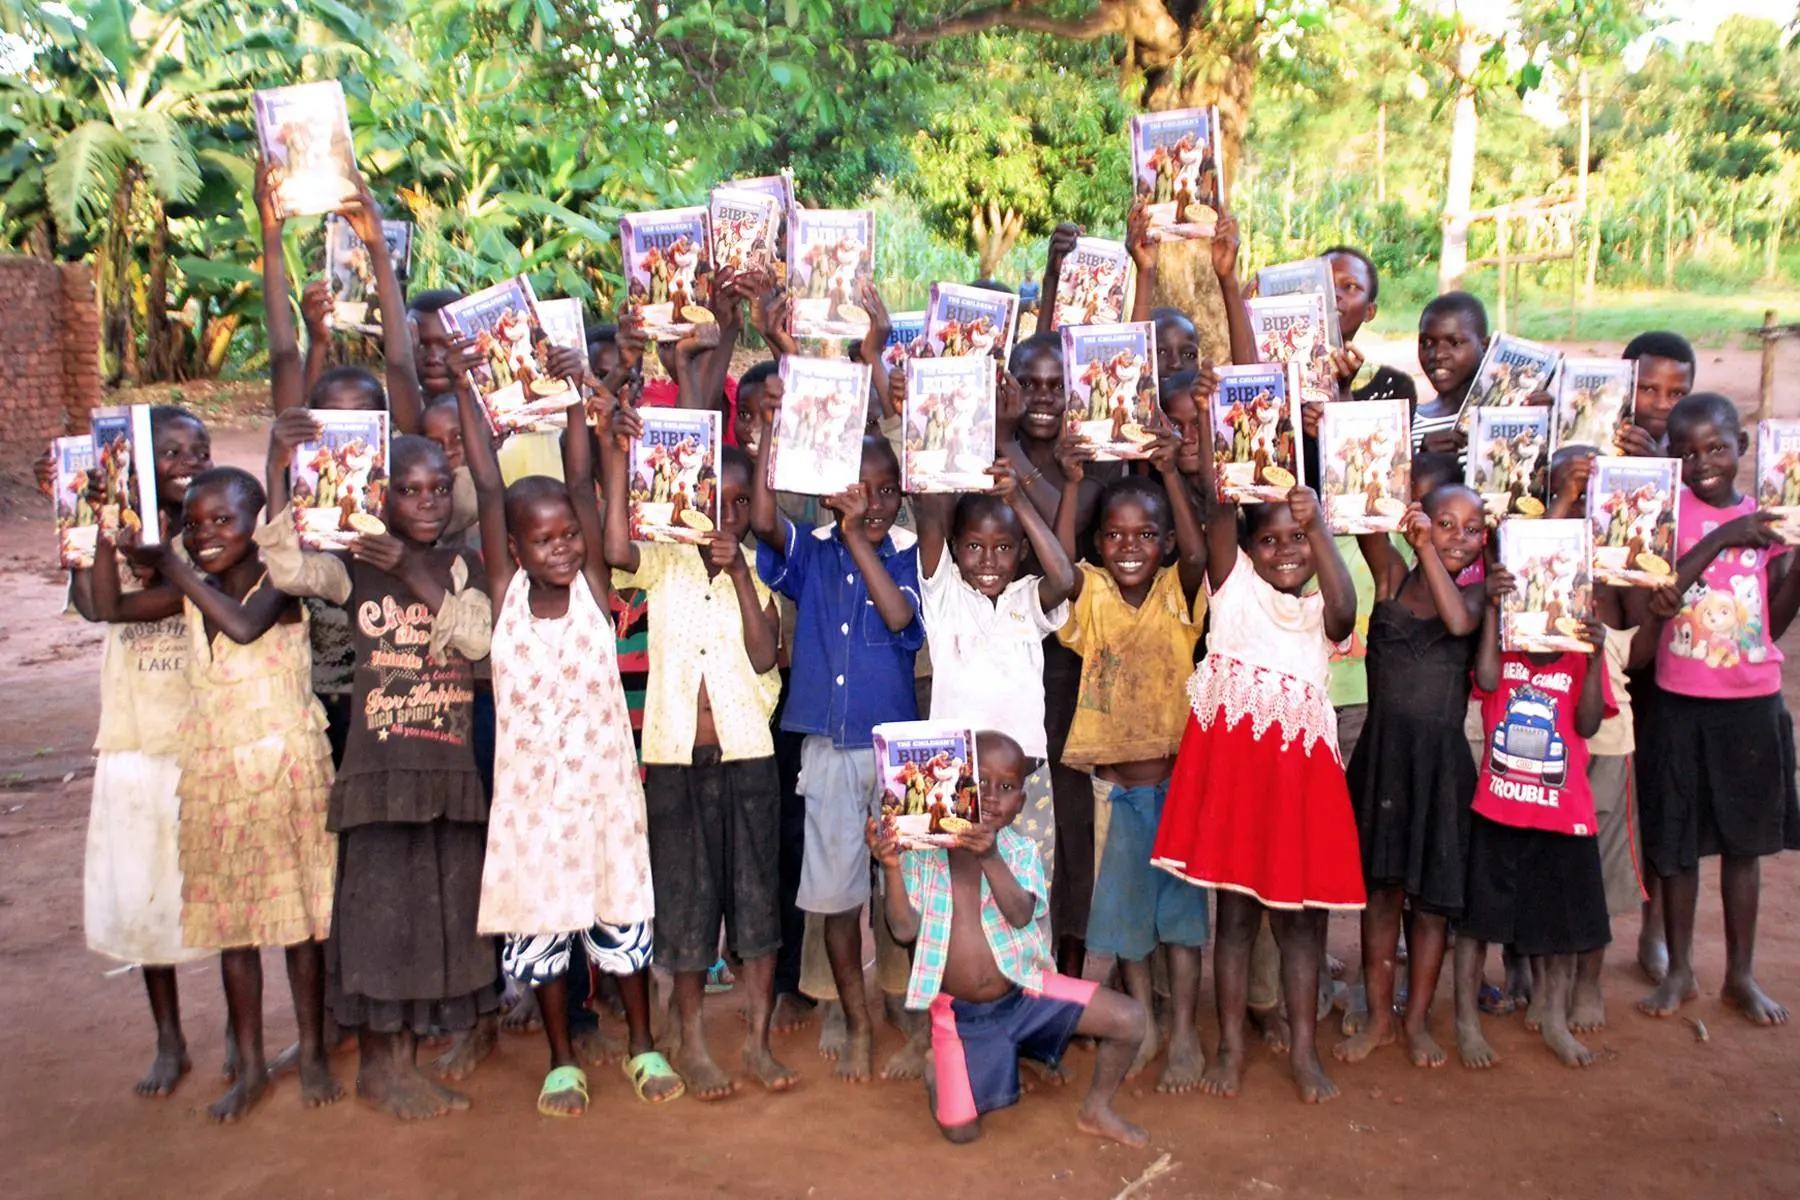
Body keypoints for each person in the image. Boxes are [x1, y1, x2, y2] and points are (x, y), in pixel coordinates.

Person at [448, 368, 670, 1117]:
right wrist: (462, 383)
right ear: (511, 547)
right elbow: (485, 482)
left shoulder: (592, 586)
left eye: (569, 533)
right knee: (545, 931)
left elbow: (581, 474)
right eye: (543, 540)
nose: (563, 548)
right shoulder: (506, 591)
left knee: (622, 921)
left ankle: (643, 1043)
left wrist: (575, 393)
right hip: (533, 808)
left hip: (606, 796)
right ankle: (561, 1060)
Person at [259, 426, 498, 1121]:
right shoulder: (349, 564)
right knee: (378, 920)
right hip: (379, 773)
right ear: (380, 497)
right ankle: (378, 1068)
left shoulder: (461, 566)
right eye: (407, 490)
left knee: (435, 919)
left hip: (446, 771)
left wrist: (414, 569)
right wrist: (280, 473)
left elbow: (478, 640)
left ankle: (403, 1066)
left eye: (434, 489)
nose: (425, 502)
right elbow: (284, 569)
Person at [96, 467, 339, 1122]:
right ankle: (253, 1065)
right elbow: (109, 608)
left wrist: (172, 568)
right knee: (238, 933)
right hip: (217, 778)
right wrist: (92, 531)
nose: (204, 534)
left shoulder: (278, 585)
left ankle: (312, 1053)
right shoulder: (190, 591)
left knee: (300, 931)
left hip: (285, 766)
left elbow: (240, 628)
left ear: (259, 526)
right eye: (193, 524)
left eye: (221, 521)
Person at [1153, 440, 1364, 1104]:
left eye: (1298, 537)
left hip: (1299, 778)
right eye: (1269, 540)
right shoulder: (1233, 585)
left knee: (1301, 924)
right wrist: (1226, 419)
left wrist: (1321, 525)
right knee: (1237, 918)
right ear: (1247, 549)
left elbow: (1346, 611)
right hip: (1239, 778)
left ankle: (1304, 1050)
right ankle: (1230, 1049)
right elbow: (1222, 499)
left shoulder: (1316, 612)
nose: (1286, 550)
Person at [602, 402, 793, 1101]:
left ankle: (758, 1043)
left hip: (748, 760)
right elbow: (618, 551)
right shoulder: (665, 561)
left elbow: (766, 652)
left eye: (742, 504)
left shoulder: (766, 572)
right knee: (686, 907)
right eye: (717, 499)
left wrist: (741, 573)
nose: (729, 515)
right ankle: (690, 1040)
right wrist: (617, 455)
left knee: (756, 908)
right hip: (676, 762)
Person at [749, 392, 926, 1083]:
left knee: (906, 890)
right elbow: (763, 520)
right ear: (832, 493)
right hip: (825, 748)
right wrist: (769, 436)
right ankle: (855, 1021)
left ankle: (906, 1004)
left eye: (887, 492)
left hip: (898, 755)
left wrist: (859, 534)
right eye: (860, 491)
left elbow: (896, 618)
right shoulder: (812, 552)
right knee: (834, 898)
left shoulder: (908, 556)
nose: (875, 503)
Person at [869, 731, 1149, 1147]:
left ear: (1021, 801)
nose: (994, 798)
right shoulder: (923, 854)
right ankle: (940, 1066)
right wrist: (891, 866)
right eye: (981, 783)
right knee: (961, 1132)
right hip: (961, 1018)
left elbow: (1020, 914)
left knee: (1130, 1020)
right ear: (956, 784)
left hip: (1026, 993)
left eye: (1007, 787)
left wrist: (990, 856)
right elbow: (903, 930)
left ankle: (1096, 1108)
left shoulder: (1020, 851)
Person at [1633, 392, 1800, 1026]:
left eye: (1718, 448)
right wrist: (1729, 535)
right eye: (1688, 451)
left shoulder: (1772, 520)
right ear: (1672, 459)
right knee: (1676, 849)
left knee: (1744, 848)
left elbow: (1775, 623)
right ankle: (1679, 971)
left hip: (1751, 707)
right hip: (1679, 704)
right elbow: (1665, 590)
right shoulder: (1668, 516)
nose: (1704, 462)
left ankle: (1741, 974)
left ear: (1743, 449)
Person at [907, 459, 1077, 1072]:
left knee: (1027, 903)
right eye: (974, 546)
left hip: (1025, 784)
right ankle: (948, 1027)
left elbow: (1067, 577)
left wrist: (1021, 503)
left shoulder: (1029, 600)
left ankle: (1031, 1032)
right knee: (948, 905)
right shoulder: (943, 592)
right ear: (954, 550)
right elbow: (931, 513)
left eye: (1004, 548)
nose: (989, 559)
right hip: (951, 782)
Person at [1052, 449, 1212, 1094]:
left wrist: (1170, 472)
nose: (1129, 547)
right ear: (1097, 542)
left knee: (1181, 919)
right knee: (1127, 921)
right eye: (1114, 535)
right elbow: (1060, 570)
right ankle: (1143, 1022)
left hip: (1177, 791)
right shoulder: (1088, 593)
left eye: (1147, 535)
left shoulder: (1179, 593)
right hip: (1114, 794)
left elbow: (1199, 555)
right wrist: (1069, 486)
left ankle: (1186, 1034)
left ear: (1166, 542)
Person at [71, 405, 215, 1098]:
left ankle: (243, 1039)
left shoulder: (217, 528)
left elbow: (167, 601)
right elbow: (98, 604)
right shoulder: (114, 534)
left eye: (200, 449)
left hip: (207, 737)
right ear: (133, 465)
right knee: (146, 896)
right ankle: (169, 1037)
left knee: (225, 893)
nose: (189, 461)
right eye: (172, 451)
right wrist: (91, 512)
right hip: (135, 740)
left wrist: (158, 552)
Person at [1335, 485, 1486, 1069]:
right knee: (1380, 897)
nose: (1456, 537)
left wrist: (1425, 545)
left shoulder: (1476, 601)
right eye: (1444, 523)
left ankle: (1417, 1020)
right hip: (1385, 760)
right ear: (1418, 519)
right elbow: (1358, 506)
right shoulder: (1392, 578)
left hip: (1441, 767)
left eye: (1471, 529)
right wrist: (1364, 467)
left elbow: (1452, 619)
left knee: (1430, 906)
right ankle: (1378, 1017)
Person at [1454, 568, 1612, 1068]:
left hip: (1562, 814)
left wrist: (1596, 653)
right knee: (1476, 925)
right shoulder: (1505, 650)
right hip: (1498, 808)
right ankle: (1465, 1023)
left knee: (1561, 928)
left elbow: (1587, 723)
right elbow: (1483, 681)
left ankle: (1555, 1020)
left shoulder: (1578, 655)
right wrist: (1496, 615)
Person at [1544, 447, 1649, 1031]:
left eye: (1594, 493)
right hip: (1540, 737)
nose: (1582, 504)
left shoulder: (1619, 570)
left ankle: (1587, 980)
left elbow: (1646, 649)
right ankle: (1538, 979)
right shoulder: (1535, 554)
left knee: (1600, 870)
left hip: (1607, 741)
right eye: (1568, 490)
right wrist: (1562, 503)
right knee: (1545, 861)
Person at [1411, 291, 1490, 465]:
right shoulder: (1410, 423)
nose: (1438, 355)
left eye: (1455, 343)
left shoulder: (1505, 414)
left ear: (1485, 346)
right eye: (1427, 343)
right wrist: (1422, 461)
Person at [1616, 331, 1698, 458]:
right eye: (1648, 390)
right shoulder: (1595, 438)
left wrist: (1658, 461)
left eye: (1677, 393)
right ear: (1624, 383)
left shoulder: (1696, 449)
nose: (1662, 405)